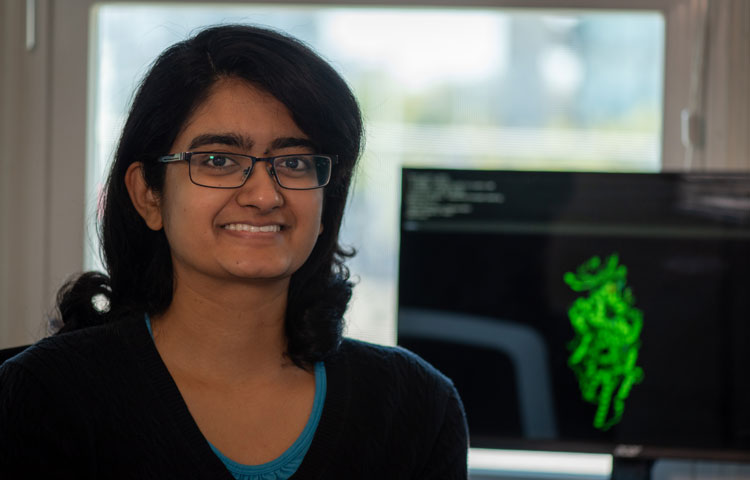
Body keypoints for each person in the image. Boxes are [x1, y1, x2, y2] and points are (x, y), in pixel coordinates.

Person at [0, 24, 468, 478]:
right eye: (219, 160)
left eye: (295, 162)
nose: (264, 196)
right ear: (149, 195)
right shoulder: (47, 395)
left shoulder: (417, 406)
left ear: (327, 202)